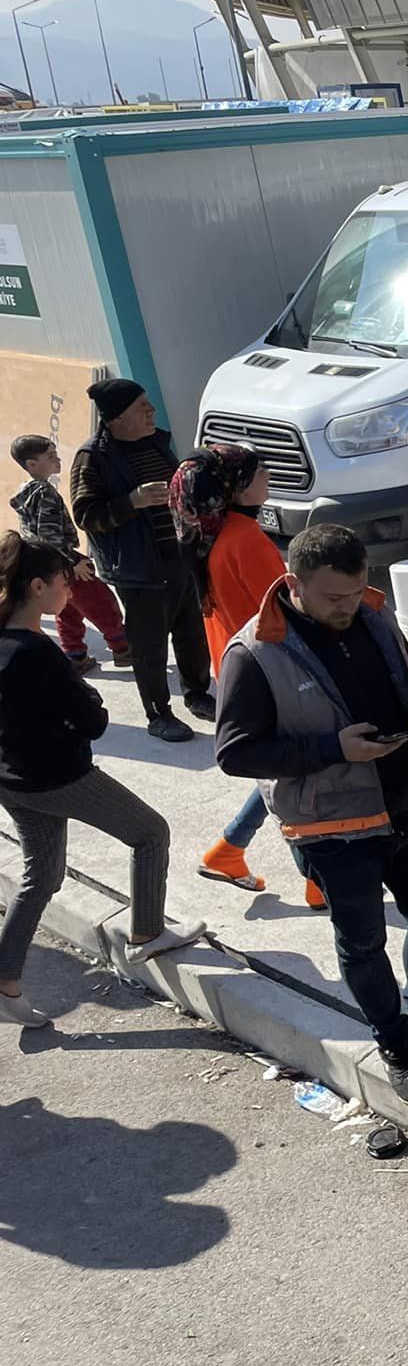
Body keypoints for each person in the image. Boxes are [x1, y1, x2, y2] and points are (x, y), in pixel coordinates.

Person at [216, 524, 408, 1106]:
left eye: (356, 590)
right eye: (333, 597)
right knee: (362, 946)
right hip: (336, 834)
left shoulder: (373, 613)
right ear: (293, 584)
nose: (347, 607)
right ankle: (394, 1042)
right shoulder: (254, 652)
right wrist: (335, 748)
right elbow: (235, 753)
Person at [1, 534, 206, 1026]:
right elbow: (92, 721)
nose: (69, 592)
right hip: (58, 777)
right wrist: (89, 700)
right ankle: (147, 934)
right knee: (150, 832)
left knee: (43, 875)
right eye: (63, 583)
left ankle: (5, 982)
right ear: (37, 586)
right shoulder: (37, 652)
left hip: (11, 777)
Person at [170, 444, 306, 902]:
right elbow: (286, 611)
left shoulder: (209, 533)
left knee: (280, 772)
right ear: (236, 487)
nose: (268, 476)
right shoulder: (246, 539)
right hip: (273, 670)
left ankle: (229, 849)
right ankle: (317, 880)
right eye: (259, 472)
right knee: (293, 775)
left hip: (236, 665)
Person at [68, 378, 214, 743]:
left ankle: (197, 693)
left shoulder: (155, 442)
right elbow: (86, 514)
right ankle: (158, 714)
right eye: (142, 407)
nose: (152, 412)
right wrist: (132, 501)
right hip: (140, 569)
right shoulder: (94, 457)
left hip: (179, 557)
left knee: (192, 634)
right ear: (117, 418)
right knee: (149, 647)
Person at [8, 434, 128, 673]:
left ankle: (75, 653)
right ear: (32, 464)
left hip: (47, 564)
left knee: (67, 608)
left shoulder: (27, 492)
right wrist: (74, 561)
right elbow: (49, 537)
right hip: (62, 562)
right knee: (100, 601)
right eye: (50, 455)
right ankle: (122, 648)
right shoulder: (45, 494)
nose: (58, 459)